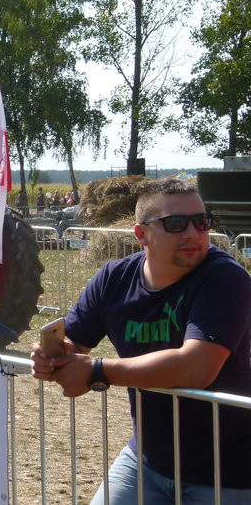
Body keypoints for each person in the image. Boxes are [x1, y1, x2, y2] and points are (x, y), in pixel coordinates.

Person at [30, 177, 251, 504]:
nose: (193, 233)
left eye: (201, 222)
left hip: (229, 473)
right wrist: (53, 358)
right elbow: (73, 344)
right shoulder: (113, 278)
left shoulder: (226, 278)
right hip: (147, 461)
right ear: (141, 234)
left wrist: (96, 371)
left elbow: (196, 368)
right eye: (176, 224)